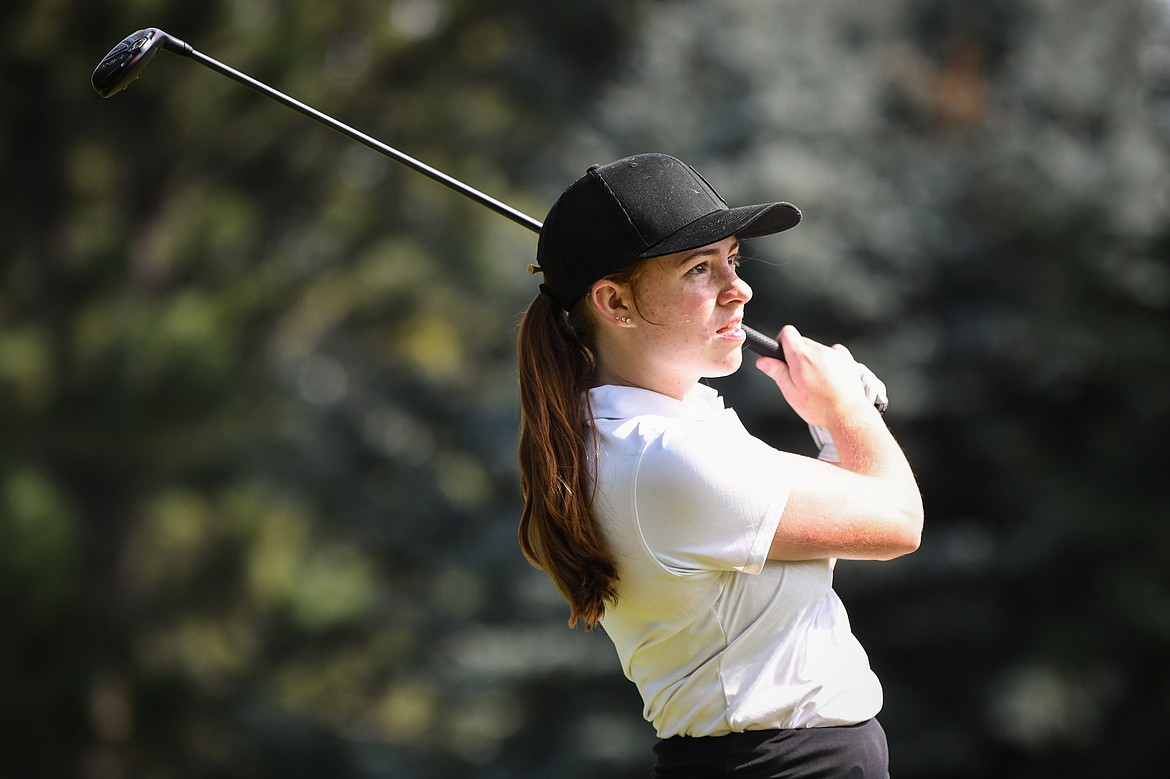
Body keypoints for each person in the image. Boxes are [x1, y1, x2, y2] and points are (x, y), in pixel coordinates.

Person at [516, 153, 923, 778]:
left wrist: (831, 421)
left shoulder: (656, 433)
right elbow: (897, 523)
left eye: (732, 260)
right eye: (699, 269)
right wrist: (846, 412)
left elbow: (823, 533)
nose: (740, 289)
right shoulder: (667, 457)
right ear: (614, 302)